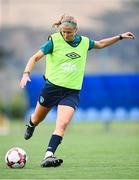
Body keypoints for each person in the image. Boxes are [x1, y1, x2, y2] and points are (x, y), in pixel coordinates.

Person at [20, 14, 135, 168]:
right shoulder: (53, 41)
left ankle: (48, 155)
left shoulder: (84, 42)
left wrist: (120, 36)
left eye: (69, 32)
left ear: (76, 30)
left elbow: (100, 44)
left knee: (62, 123)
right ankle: (31, 125)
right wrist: (26, 74)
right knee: (37, 118)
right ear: (60, 29)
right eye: (63, 31)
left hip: (71, 92)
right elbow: (34, 58)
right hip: (51, 89)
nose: (66, 34)